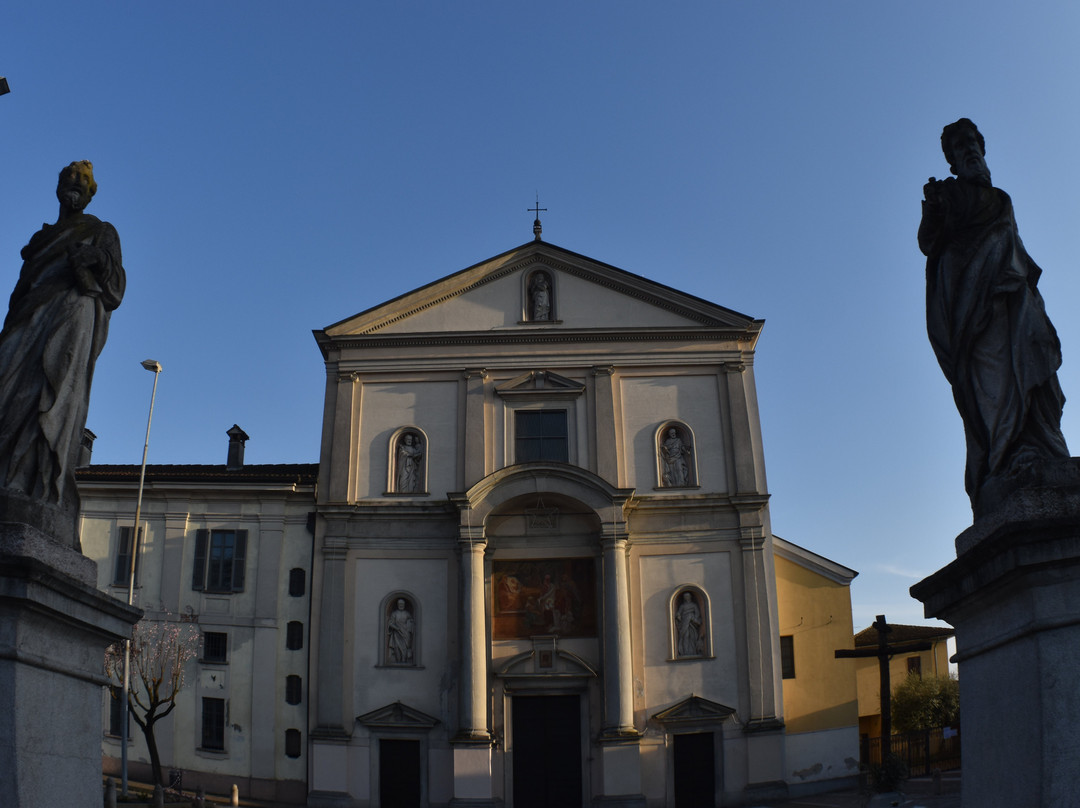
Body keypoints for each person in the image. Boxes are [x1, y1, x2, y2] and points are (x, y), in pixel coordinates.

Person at [919, 119, 1069, 513]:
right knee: (995, 381)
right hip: (975, 314)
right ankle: (1007, 458)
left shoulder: (1001, 198)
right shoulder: (948, 195)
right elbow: (928, 242)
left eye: (972, 143)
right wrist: (934, 209)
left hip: (1016, 302)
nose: (968, 150)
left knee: (1036, 376)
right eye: (959, 147)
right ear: (952, 161)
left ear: (982, 150)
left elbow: (1016, 249)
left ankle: (1041, 448)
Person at [0, 161, 125, 513]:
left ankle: (32, 483)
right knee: (8, 390)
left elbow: (115, 289)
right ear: (58, 187)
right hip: (27, 319)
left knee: (49, 393)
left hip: (72, 312)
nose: (75, 182)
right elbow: (21, 290)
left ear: (91, 192)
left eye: (83, 180)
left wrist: (97, 257)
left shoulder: (101, 231)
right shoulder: (41, 241)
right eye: (70, 176)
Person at [387, 598, 414, 664]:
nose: (401, 605)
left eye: (402, 604)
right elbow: (390, 623)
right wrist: (396, 628)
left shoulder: (407, 613)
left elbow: (411, 621)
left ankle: (404, 661)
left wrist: (410, 623)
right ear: (398, 604)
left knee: (405, 648)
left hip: (405, 633)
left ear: (404, 605)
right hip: (397, 633)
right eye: (400, 604)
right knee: (397, 647)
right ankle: (398, 661)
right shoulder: (394, 613)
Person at [675, 592, 702, 657]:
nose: (686, 598)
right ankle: (685, 652)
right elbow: (678, 613)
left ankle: (693, 652)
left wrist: (693, 618)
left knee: (692, 637)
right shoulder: (682, 606)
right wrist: (678, 616)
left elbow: (697, 614)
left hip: (692, 623)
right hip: (684, 622)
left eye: (687, 596)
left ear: (690, 597)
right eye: (685, 597)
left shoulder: (694, 605)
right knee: (685, 636)